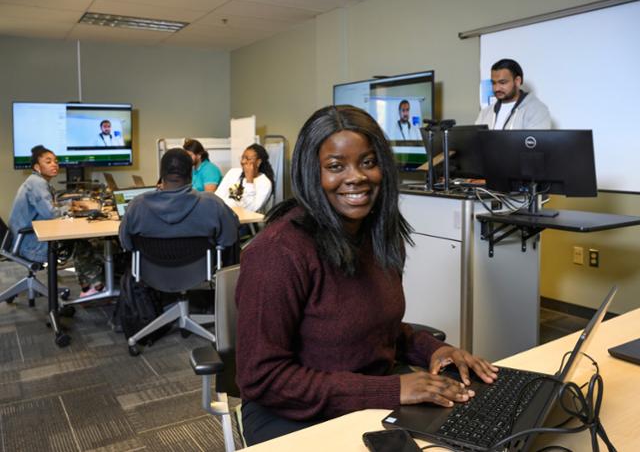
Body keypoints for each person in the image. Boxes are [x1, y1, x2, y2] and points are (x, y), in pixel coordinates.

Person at [235, 105, 498, 445]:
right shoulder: (278, 253)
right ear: (310, 172)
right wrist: (390, 389)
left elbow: (374, 328)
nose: (356, 176)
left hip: (370, 396)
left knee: (477, 427)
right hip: (291, 412)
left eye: (368, 162)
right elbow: (263, 379)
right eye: (335, 166)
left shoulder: (377, 235)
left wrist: (433, 350)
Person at [8, 145, 105, 297]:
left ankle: (88, 286)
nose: (54, 164)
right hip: (30, 244)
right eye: (48, 161)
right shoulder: (37, 183)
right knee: (83, 241)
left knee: (79, 239)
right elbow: (50, 213)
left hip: (25, 239)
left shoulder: (37, 181)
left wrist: (70, 205)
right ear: (37, 167)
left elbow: (48, 208)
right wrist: (71, 209)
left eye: (56, 161)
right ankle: (93, 286)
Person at [119, 148, 239, 253]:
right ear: (191, 175)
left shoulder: (137, 205)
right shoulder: (212, 203)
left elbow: (126, 244)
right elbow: (229, 238)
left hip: (149, 276)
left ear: (161, 175)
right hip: (201, 275)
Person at [475, 59, 551, 130]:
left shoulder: (537, 110)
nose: (496, 88)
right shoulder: (485, 113)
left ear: (517, 81)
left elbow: (536, 143)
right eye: (494, 83)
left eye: (503, 82)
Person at [215, 143, 274, 213]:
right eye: (242, 158)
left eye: (247, 159)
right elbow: (217, 198)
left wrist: (249, 181)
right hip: (222, 214)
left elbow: (250, 209)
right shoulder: (233, 173)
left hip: (245, 222)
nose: (243, 161)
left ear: (258, 162)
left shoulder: (265, 183)